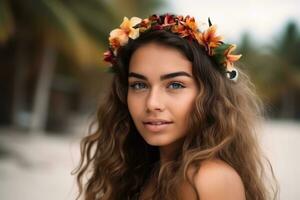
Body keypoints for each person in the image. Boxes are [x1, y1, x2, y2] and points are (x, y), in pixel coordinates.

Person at [73, 14, 278, 200]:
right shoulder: (146, 172)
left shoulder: (209, 179)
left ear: (209, 95)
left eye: (175, 85)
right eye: (139, 85)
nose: (152, 103)